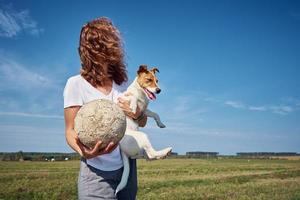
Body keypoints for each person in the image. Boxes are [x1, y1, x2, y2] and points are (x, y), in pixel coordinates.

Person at [63, 17, 147, 200]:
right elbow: (69, 131)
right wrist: (83, 151)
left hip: (127, 169)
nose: (109, 53)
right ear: (89, 51)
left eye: (111, 47)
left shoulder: (123, 84)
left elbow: (142, 122)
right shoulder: (75, 84)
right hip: (95, 173)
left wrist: (138, 113)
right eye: (101, 47)